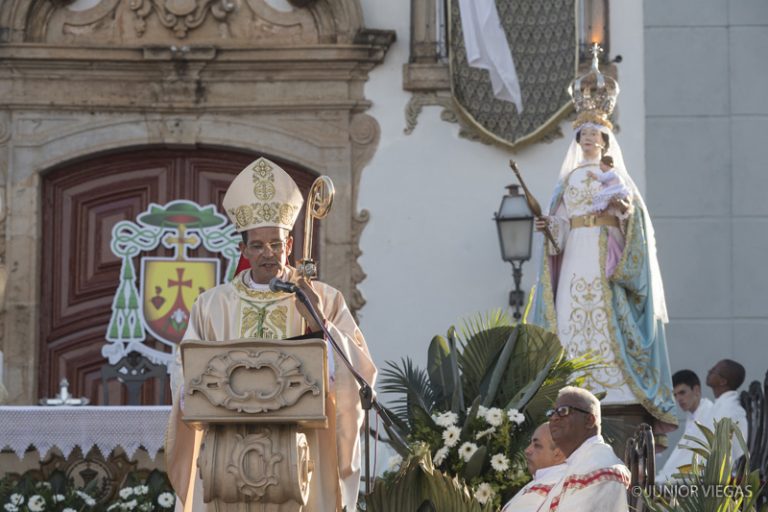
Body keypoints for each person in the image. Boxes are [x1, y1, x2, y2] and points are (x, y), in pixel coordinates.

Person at [165, 157, 377, 512]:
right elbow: (183, 370)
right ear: (243, 251)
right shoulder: (212, 305)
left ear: (290, 246)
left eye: (276, 245)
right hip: (227, 455)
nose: (269, 254)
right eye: (259, 246)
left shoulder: (322, 298)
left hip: (303, 452)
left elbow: (357, 372)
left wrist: (317, 325)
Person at [530, 117, 677, 435]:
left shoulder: (616, 177)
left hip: (605, 258)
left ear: (605, 140)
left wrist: (623, 212)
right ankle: (573, 380)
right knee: (571, 311)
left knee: (606, 314)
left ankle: (615, 383)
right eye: (583, 134)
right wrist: (549, 226)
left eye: (595, 134)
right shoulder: (568, 181)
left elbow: (633, 225)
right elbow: (562, 226)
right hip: (574, 256)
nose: (588, 139)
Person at [538, 387, 630, 511]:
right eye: (552, 412)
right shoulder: (576, 465)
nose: (554, 418)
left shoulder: (599, 467)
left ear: (589, 420)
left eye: (563, 411)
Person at [656, 370, 713, 482]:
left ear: (696, 390)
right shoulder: (692, 417)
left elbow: (699, 459)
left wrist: (664, 479)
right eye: (675, 395)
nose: (678, 399)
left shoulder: (709, 414)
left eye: (682, 393)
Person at [500, 422, 566, 512]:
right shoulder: (563, 484)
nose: (527, 450)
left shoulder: (541, 493)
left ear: (558, 454)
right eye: (530, 443)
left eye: (537, 445)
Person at [705, 359, 747, 461]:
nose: (709, 371)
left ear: (723, 381)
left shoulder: (732, 411)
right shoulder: (720, 405)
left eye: (714, 370)